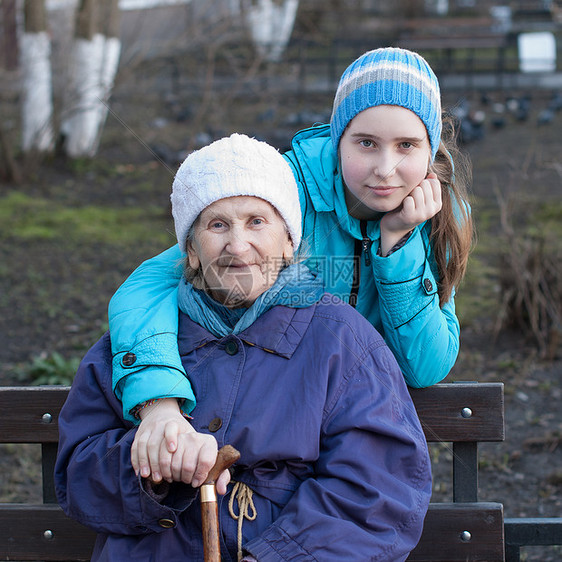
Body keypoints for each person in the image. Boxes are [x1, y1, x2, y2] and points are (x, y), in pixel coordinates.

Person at [55, 134, 432, 561]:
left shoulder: (341, 339)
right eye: (217, 225)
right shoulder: (140, 342)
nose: (238, 246)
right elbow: (78, 475)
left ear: (289, 242)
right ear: (192, 250)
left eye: (257, 221)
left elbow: (377, 493)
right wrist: (154, 466)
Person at [108, 47, 472, 477]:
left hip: (360, 425)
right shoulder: (283, 190)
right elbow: (152, 283)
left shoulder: (441, 216)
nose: (385, 168)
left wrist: (399, 242)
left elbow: (424, 367)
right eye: (366, 143)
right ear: (339, 137)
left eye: (406, 145)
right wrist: (159, 401)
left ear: (430, 150)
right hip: (274, 419)